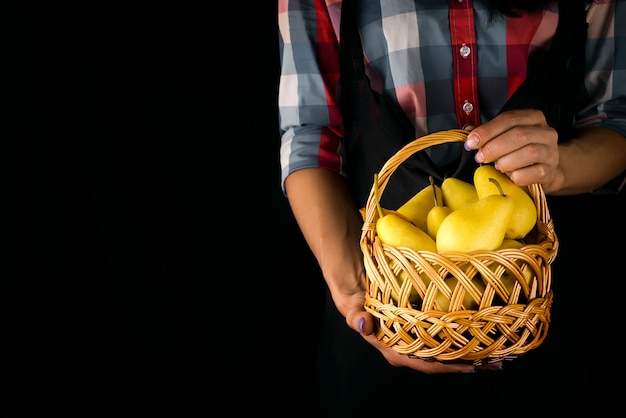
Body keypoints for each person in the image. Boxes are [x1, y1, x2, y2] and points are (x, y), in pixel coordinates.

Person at [277, 1, 626, 416]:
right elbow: (310, 137)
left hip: (535, 308)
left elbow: (615, 119)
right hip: (386, 305)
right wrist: (354, 293)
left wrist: (560, 165)